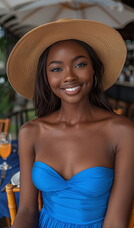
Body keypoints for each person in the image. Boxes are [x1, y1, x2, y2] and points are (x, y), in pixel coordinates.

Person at [7, 18, 134, 228]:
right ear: (46, 78)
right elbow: (28, 212)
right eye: (57, 69)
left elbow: (116, 222)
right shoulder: (30, 132)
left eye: (80, 64)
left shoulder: (123, 132)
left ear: (94, 70)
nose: (69, 77)